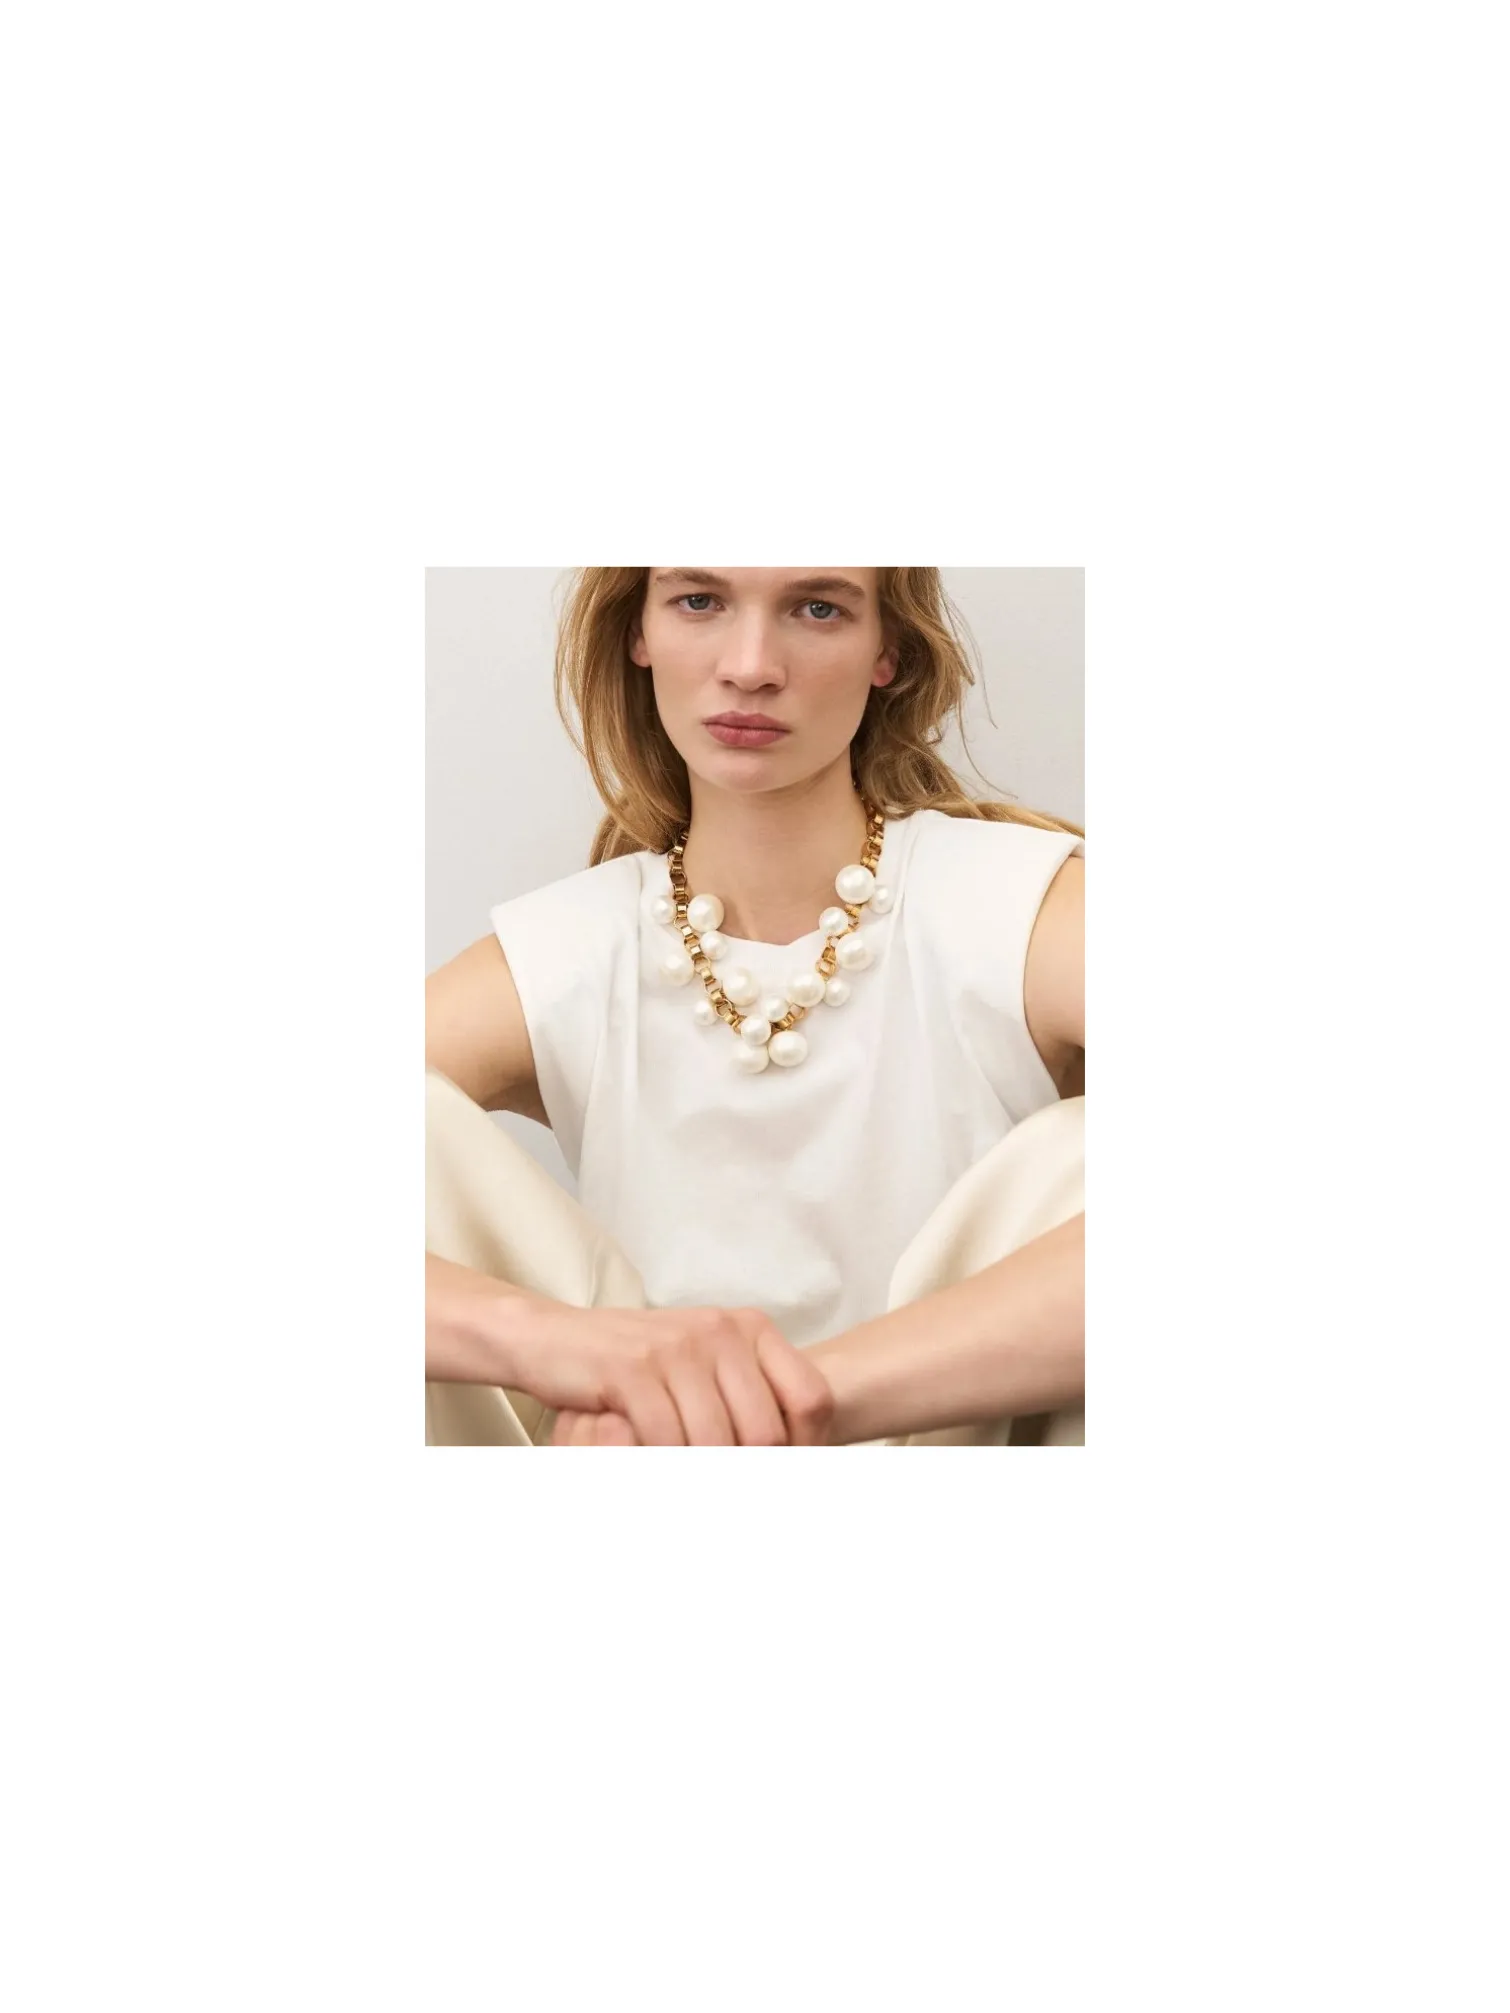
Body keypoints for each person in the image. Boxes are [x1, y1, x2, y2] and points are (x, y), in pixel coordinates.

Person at [425, 567, 1084, 1446]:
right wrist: (566, 1350)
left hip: (943, 1440)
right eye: (699, 601)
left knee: (1081, 1150)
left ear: (887, 648)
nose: (750, 666)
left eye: (818, 608)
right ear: (639, 633)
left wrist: (779, 1404)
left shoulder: (1011, 906)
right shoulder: (572, 950)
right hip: (633, 1458)